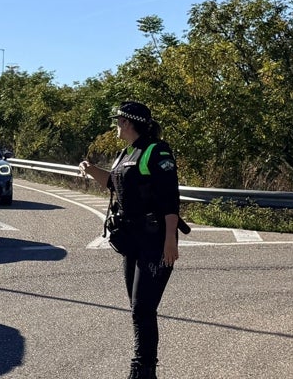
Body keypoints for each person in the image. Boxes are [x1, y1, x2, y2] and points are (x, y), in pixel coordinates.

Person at [79, 101, 181, 379]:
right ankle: (142, 368)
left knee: (143, 308)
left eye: (118, 120)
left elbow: (170, 197)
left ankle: (143, 370)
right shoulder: (125, 153)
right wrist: (90, 169)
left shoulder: (156, 151)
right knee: (137, 309)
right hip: (132, 241)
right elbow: (114, 183)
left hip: (156, 239)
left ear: (127, 122)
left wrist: (170, 239)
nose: (116, 125)